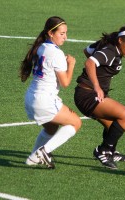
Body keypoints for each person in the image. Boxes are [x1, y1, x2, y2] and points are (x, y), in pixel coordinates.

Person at [74, 23, 125, 170]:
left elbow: (87, 50)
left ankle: (111, 151)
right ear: (121, 41)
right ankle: (103, 151)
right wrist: (97, 85)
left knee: (114, 127)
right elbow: (90, 62)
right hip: (88, 95)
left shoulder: (110, 47)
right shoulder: (110, 51)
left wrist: (101, 72)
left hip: (87, 94)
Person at [20, 16, 81, 169]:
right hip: (44, 100)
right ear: (50, 33)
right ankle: (43, 152)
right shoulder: (56, 53)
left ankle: (33, 157)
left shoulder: (40, 47)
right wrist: (71, 64)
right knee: (76, 122)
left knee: (51, 128)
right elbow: (65, 83)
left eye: (66, 33)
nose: (65, 37)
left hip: (30, 97)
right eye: (62, 33)